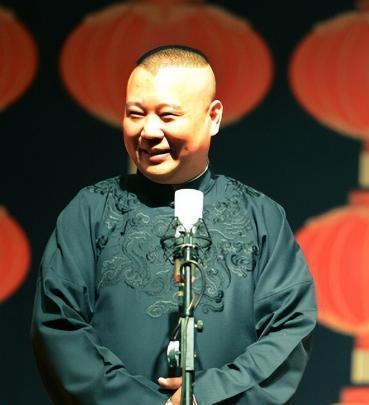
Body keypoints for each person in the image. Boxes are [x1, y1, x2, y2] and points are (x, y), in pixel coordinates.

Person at [31, 45, 317, 404]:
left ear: (213, 117)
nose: (149, 131)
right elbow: (58, 326)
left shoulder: (261, 216)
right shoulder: (89, 211)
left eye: (167, 116)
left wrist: (206, 395)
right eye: (135, 114)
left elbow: (289, 328)